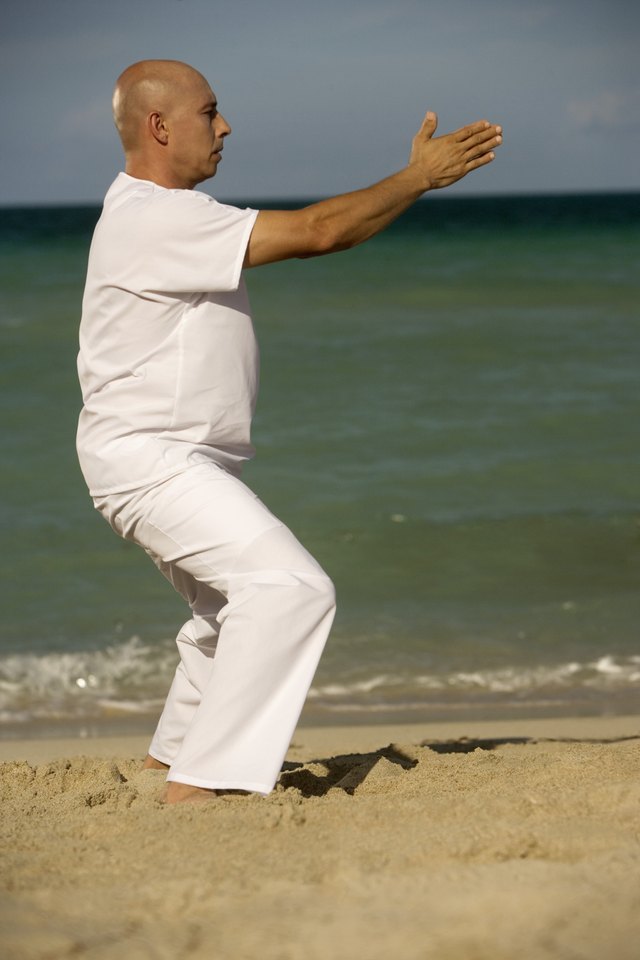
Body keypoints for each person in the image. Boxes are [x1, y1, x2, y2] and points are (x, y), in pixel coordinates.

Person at [77, 59, 502, 803]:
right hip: (151, 462)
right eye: (210, 112)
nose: (226, 126)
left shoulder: (150, 212)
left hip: (169, 459)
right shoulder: (154, 216)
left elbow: (321, 231)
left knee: (224, 613)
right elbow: (319, 231)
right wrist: (416, 179)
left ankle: (167, 762)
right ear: (159, 126)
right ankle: (203, 783)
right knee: (291, 588)